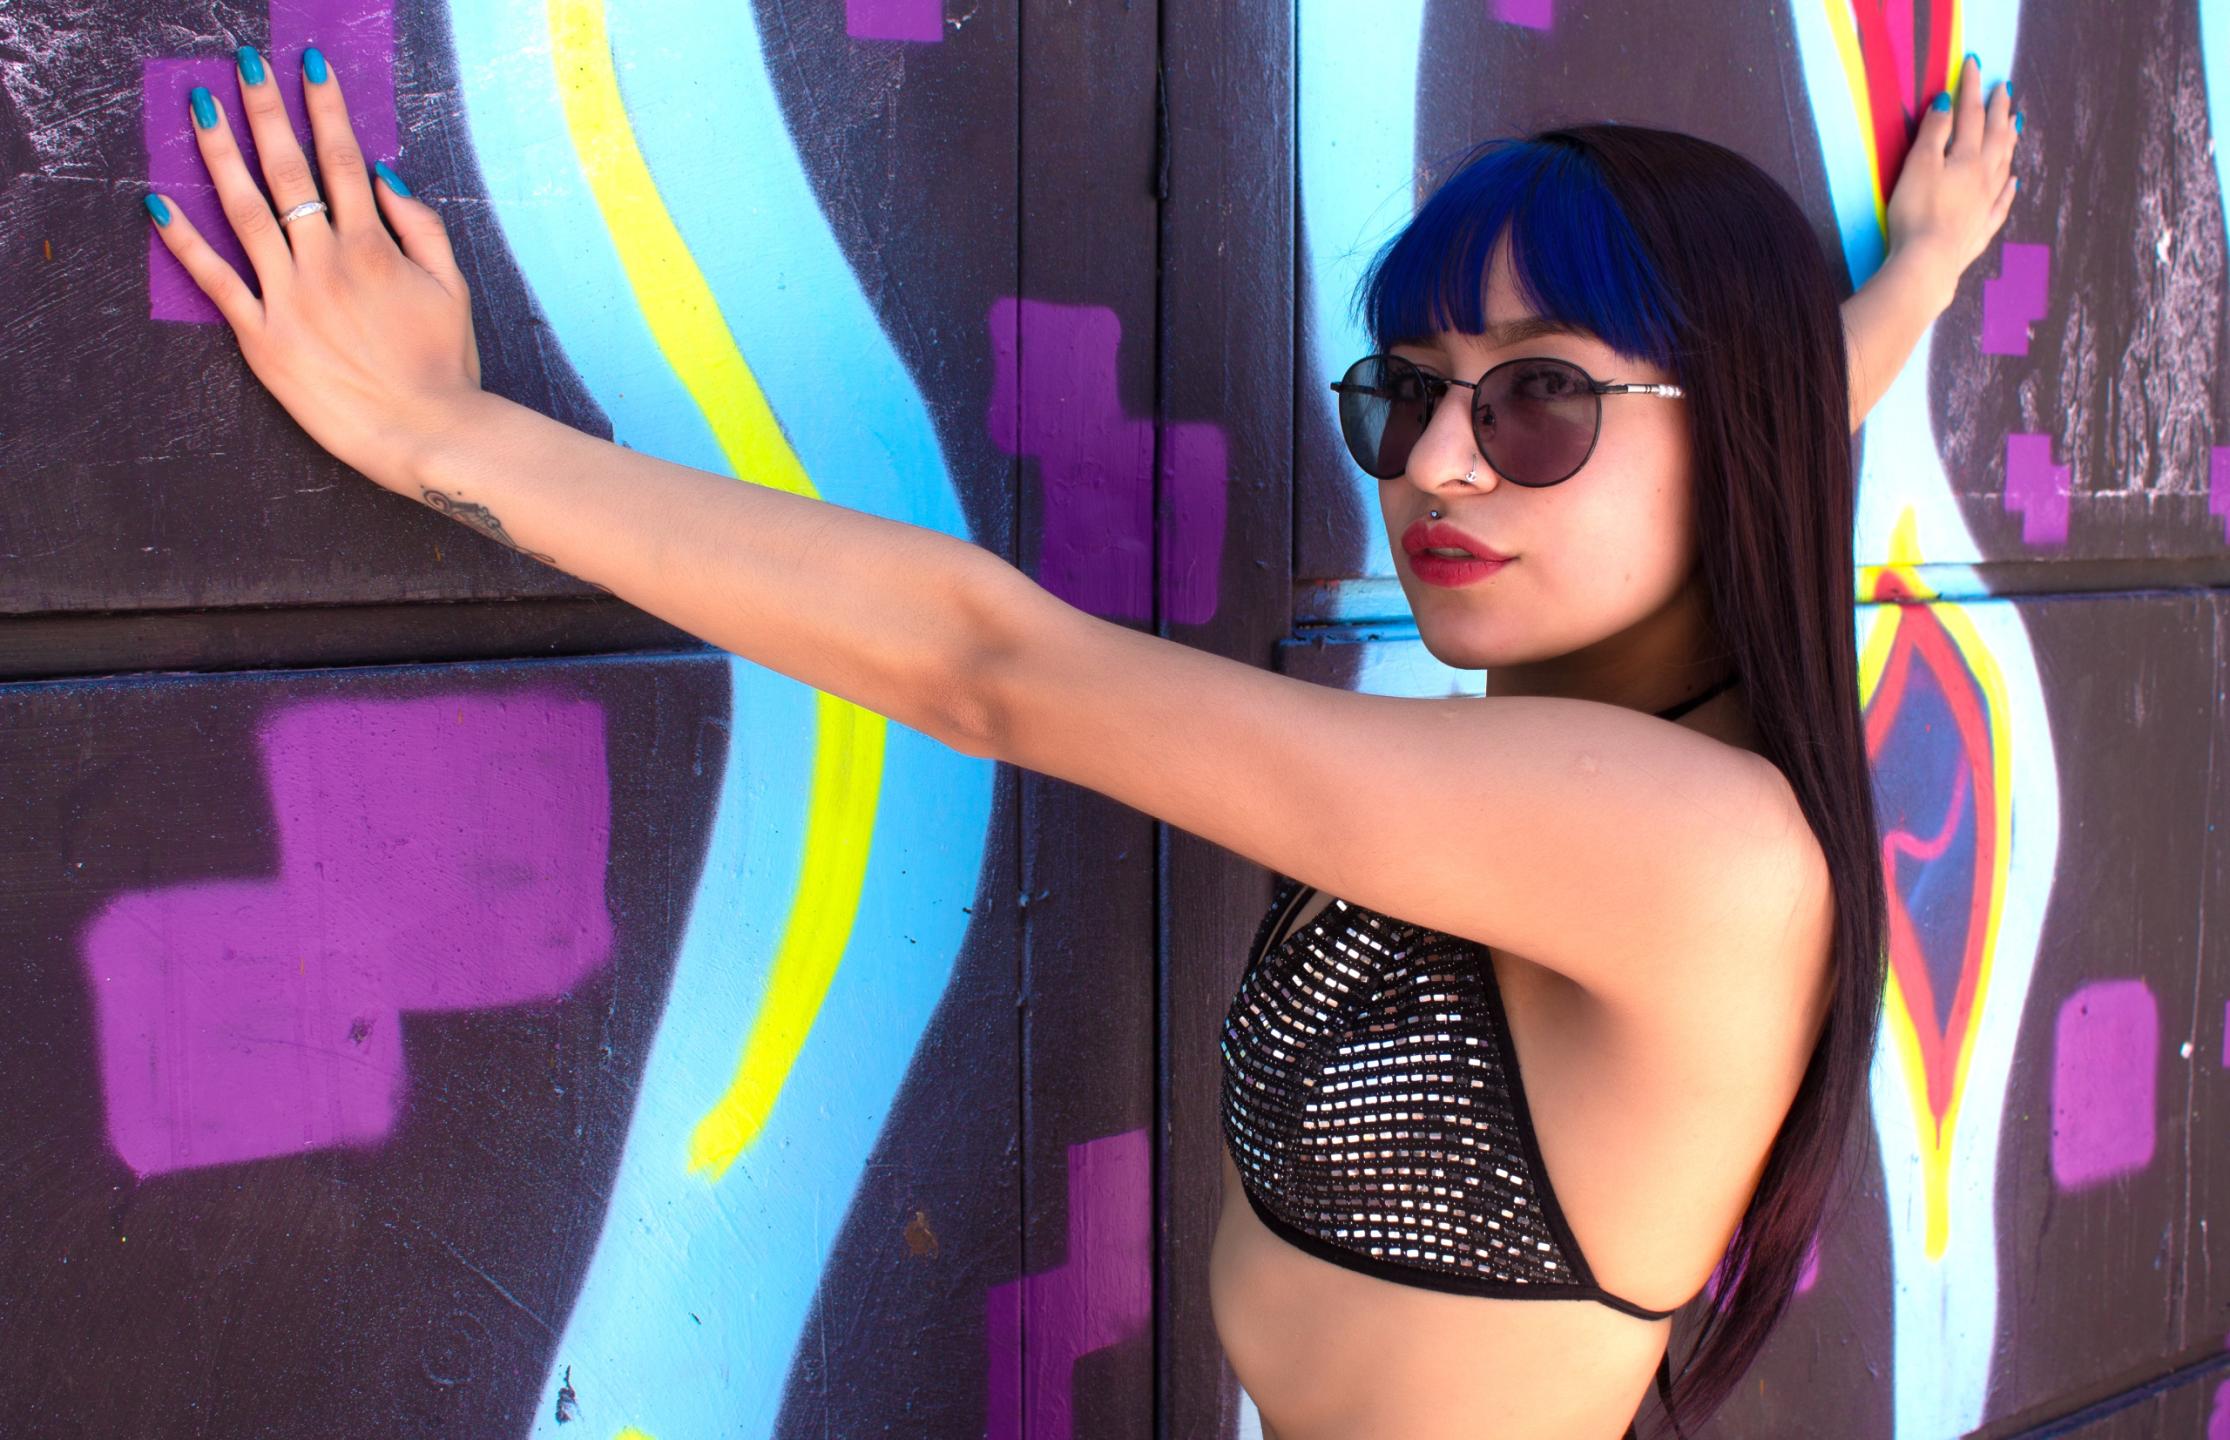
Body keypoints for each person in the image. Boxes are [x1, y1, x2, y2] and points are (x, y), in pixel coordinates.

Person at [143, 43, 2021, 1440]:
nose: (1440, 468)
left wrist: (443, 434)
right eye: (1406, 395)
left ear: (1734, 427)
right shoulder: (1623, 695)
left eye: (1536, 400)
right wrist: (1911, 282)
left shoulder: (1688, 845)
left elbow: (993, 669)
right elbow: (1762, 415)